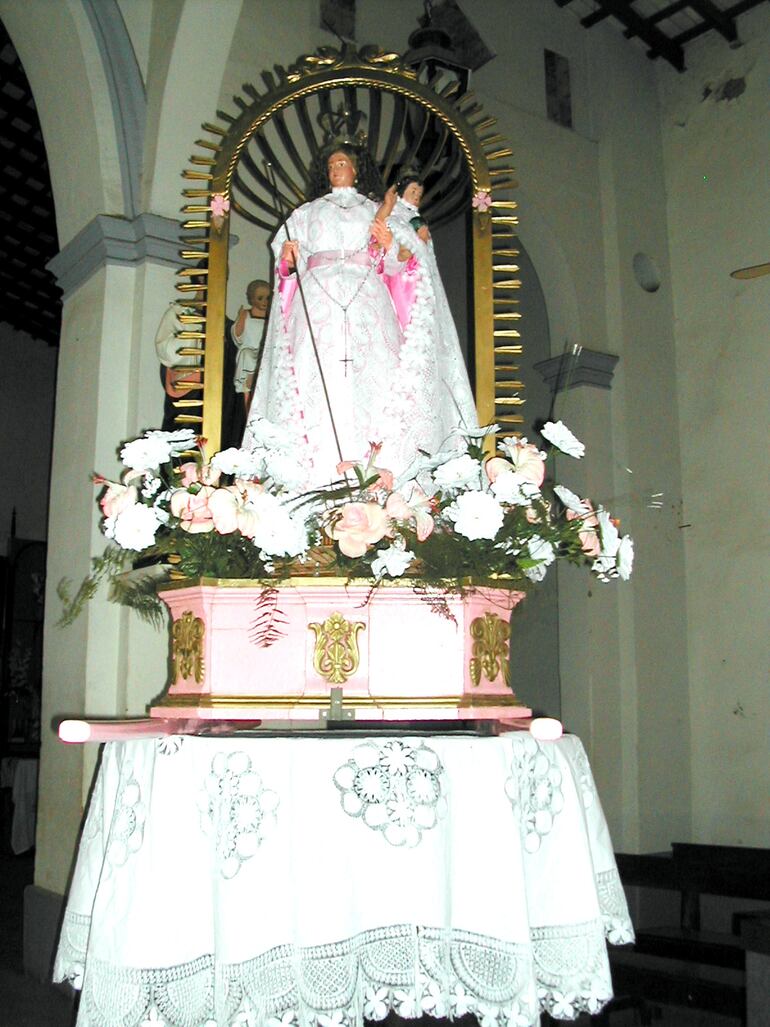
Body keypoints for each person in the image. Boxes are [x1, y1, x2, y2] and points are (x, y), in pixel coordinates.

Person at [382, 171, 478, 452]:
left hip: (424, 291)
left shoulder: (417, 219)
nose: (416, 196)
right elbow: (394, 254)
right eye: (412, 191)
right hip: (405, 292)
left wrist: (422, 241)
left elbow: (424, 256)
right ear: (400, 191)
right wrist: (409, 248)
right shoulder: (393, 215)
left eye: (419, 193)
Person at [232, 278, 270, 413]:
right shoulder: (246, 314)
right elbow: (237, 336)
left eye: (268, 297)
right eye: (260, 298)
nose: (265, 301)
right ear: (252, 299)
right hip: (249, 351)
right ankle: (249, 393)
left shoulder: (272, 317)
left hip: (264, 353)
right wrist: (241, 319)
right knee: (246, 355)